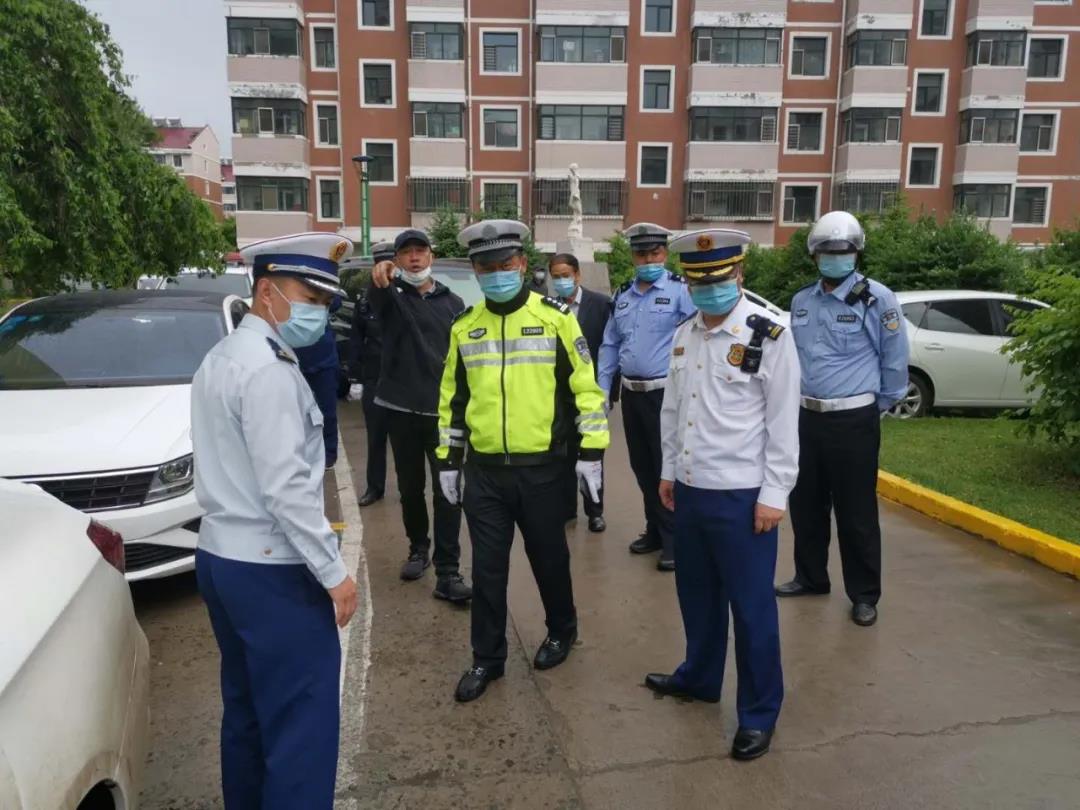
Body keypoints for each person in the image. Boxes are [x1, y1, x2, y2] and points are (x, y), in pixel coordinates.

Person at [190, 232, 359, 808]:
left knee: (247, 713)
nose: (318, 312)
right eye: (309, 298)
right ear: (267, 292)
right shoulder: (268, 371)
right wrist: (333, 572)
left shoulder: (223, 356)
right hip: (272, 569)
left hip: (221, 558)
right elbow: (286, 489)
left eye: (324, 302)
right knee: (300, 728)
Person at [435, 220, 609, 703]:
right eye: (485, 266)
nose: (496, 273)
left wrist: (592, 451)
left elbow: (586, 388)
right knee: (487, 569)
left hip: (543, 469)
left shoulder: (556, 318)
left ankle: (562, 630)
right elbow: (452, 398)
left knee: (549, 558)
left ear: (521, 264)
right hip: (486, 471)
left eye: (505, 264)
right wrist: (448, 458)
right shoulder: (465, 326)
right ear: (475, 270)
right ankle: (487, 658)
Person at [646, 228, 800, 762]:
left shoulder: (770, 333)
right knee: (697, 597)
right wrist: (669, 471)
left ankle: (758, 713)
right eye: (699, 282)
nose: (709, 289)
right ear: (687, 283)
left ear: (739, 274)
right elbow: (673, 410)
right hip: (691, 490)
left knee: (752, 610)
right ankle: (700, 677)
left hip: (743, 497)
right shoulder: (685, 334)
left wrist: (774, 494)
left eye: (719, 279)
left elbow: (783, 421)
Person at [775, 211, 909, 627]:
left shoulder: (877, 299)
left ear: (857, 252)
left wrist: (873, 407)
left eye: (844, 251)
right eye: (828, 251)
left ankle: (864, 594)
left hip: (853, 421)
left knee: (856, 513)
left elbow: (895, 360)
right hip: (806, 417)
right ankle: (811, 577)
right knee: (806, 505)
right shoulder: (802, 300)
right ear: (814, 255)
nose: (836, 257)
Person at [370, 229, 472, 604]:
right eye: (406, 253)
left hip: (442, 415)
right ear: (397, 259)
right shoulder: (390, 295)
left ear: (431, 256)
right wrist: (380, 275)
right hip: (401, 411)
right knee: (410, 489)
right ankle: (418, 548)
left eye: (420, 251)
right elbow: (377, 294)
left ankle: (448, 571)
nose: (414, 258)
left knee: (448, 491)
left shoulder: (453, 302)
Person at [597, 223, 696, 571]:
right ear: (632, 256)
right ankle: (654, 530)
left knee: (665, 466)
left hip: (665, 394)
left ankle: (674, 540)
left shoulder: (681, 291)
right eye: (641, 254)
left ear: (665, 253)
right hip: (632, 394)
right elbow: (610, 344)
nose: (648, 260)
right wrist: (602, 388)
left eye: (655, 253)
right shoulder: (623, 296)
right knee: (642, 467)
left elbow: (696, 338)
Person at [550, 252, 611, 533]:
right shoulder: (547, 308)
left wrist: (609, 392)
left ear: (577, 275)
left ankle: (595, 511)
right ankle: (566, 509)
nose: (561, 281)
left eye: (566, 275)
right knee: (563, 455)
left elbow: (610, 348)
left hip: (590, 393)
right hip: (558, 395)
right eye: (556, 277)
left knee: (592, 453)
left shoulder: (600, 305)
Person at [349, 241, 394, 507]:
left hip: (402, 380)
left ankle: (410, 489)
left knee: (406, 442)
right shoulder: (366, 301)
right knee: (375, 437)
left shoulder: (407, 295)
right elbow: (356, 338)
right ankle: (374, 488)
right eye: (380, 264)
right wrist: (354, 378)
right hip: (374, 379)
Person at [296, 301, 342, 467]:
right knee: (296, 413)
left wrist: (314, 298)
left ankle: (329, 454)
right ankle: (301, 454)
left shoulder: (322, 294)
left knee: (327, 411)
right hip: (294, 359)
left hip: (323, 359)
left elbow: (336, 301)